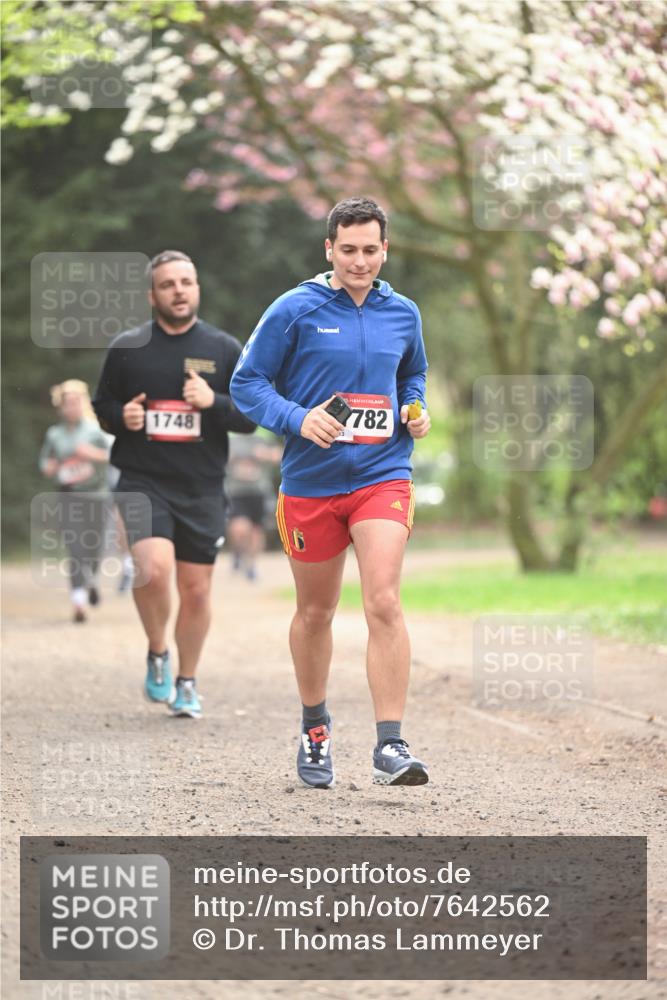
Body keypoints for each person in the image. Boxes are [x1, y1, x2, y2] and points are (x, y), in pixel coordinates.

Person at [231, 197, 431, 786]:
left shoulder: (404, 313)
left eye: (371, 250)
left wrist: (415, 408)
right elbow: (247, 383)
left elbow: (411, 373)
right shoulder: (295, 309)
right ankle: (315, 729)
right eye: (349, 250)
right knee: (316, 612)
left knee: (384, 602)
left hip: (382, 475)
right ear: (329, 249)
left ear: (385, 249)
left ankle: (390, 745)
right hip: (311, 484)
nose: (360, 261)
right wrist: (297, 419)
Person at [93, 250, 255, 718]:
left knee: (197, 590)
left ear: (197, 288)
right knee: (154, 569)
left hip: (202, 485)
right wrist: (121, 417)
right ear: (152, 294)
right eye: (168, 284)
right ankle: (158, 650)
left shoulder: (224, 349)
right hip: (143, 479)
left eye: (187, 281)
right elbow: (103, 406)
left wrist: (213, 400)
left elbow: (249, 417)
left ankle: (187, 680)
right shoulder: (128, 347)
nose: (179, 290)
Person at [39, 380, 111, 623]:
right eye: (68, 403)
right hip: (69, 496)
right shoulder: (54, 434)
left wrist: (91, 455)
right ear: (61, 406)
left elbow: (114, 455)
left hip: (97, 496)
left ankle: (90, 579)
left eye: (77, 402)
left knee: (94, 548)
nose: (73, 407)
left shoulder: (96, 430)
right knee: (75, 547)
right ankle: (79, 602)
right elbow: (45, 463)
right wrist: (51, 466)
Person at [226, 431, 282, 581]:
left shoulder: (263, 434)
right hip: (236, 492)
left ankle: (251, 565)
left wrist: (267, 454)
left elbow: (280, 455)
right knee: (240, 529)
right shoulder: (231, 436)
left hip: (259, 492)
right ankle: (238, 551)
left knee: (256, 531)